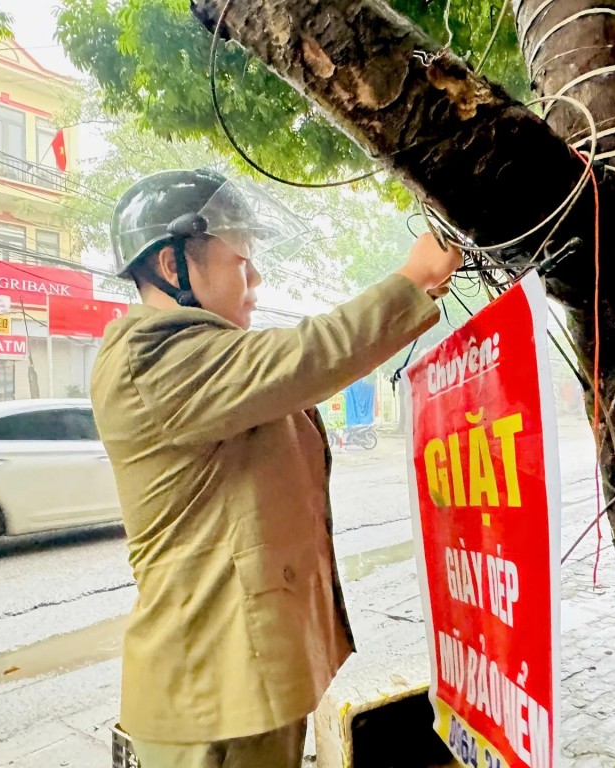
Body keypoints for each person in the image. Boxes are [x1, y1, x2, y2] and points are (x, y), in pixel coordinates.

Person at [90, 168, 460, 768]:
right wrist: (414, 278)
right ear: (171, 266)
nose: (256, 281)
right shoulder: (151, 356)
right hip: (210, 699)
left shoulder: (212, 362)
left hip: (243, 686)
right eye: (240, 260)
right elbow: (308, 356)